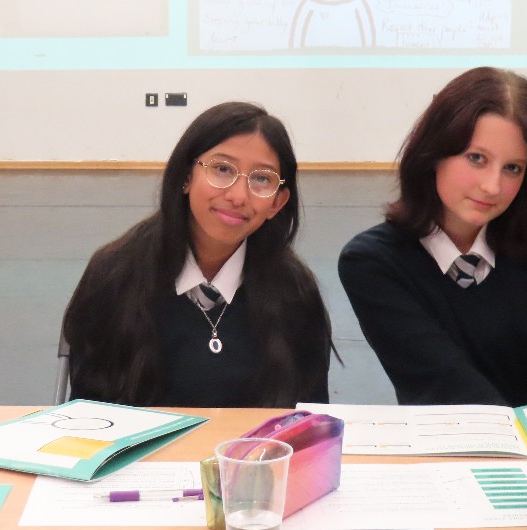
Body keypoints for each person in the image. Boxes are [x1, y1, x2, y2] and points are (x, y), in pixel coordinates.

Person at [338, 66, 527, 407]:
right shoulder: (373, 262)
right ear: (434, 154)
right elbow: (442, 384)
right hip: (449, 451)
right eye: (476, 159)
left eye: (512, 168)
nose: (492, 186)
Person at [61, 101, 333, 407]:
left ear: (277, 202)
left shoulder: (294, 293)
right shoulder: (114, 277)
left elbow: (307, 423)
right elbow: (89, 418)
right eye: (221, 169)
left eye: (261, 179)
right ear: (185, 176)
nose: (238, 196)